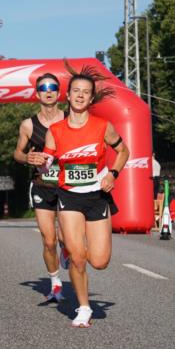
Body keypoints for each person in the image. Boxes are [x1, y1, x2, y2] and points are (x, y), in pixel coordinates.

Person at [41, 65, 129, 327]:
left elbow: (123, 151)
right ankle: (83, 307)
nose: (80, 96)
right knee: (78, 258)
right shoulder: (55, 131)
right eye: (76, 91)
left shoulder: (103, 127)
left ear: (91, 99)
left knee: (100, 261)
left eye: (86, 92)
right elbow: (47, 163)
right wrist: (39, 162)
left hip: (97, 196)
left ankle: (72, 247)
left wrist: (113, 173)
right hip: (68, 197)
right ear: (67, 96)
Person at [15, 72, 68, 300]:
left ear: (59, 92)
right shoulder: (28, 125)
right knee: (48, 240)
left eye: (53, 87)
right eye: (44, 88)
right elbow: (17, 152)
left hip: (69, 186)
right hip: (42, 185)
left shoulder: (70, 119)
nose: (48, 91)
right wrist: (28, 158)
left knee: (66, 238)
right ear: (37, 94)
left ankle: (66, 249)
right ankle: (55, 283)